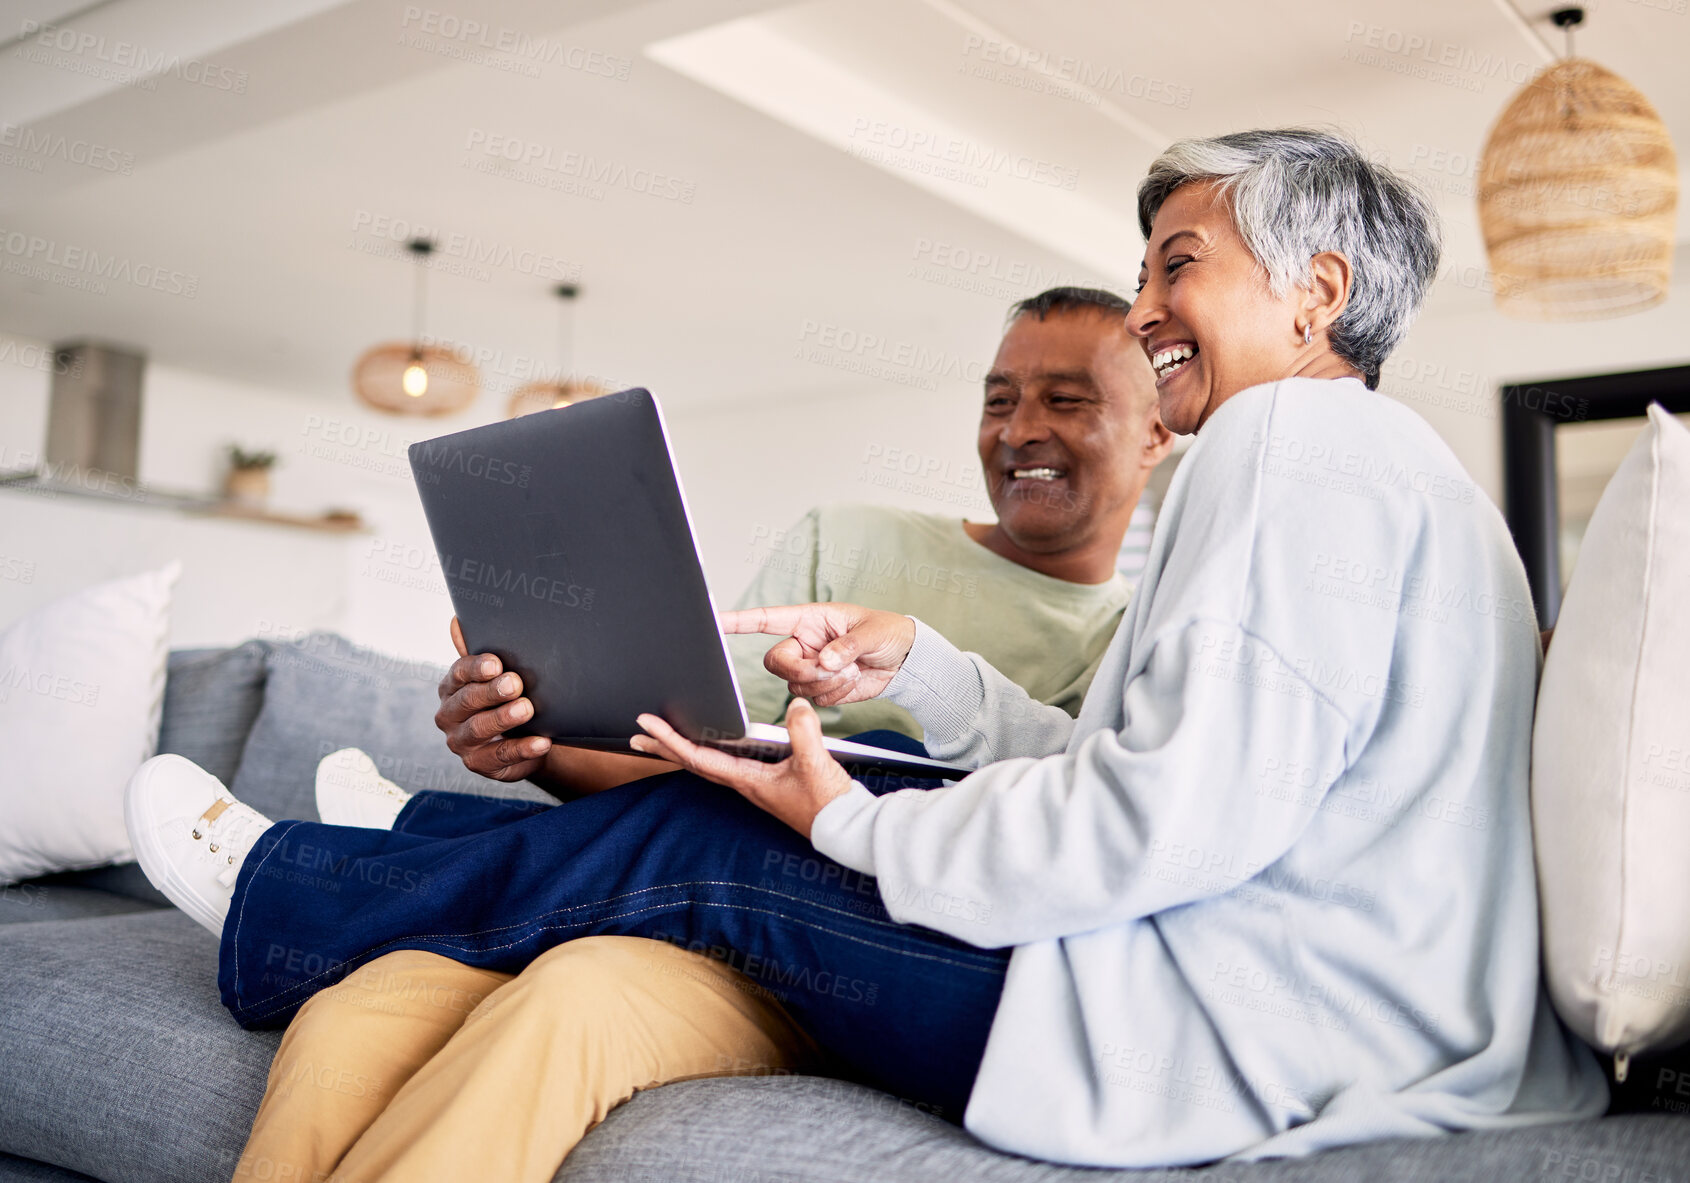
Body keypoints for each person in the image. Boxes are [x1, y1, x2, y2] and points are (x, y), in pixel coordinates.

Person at [129, 129, 1608, 1179]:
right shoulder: (1379, 474)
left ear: (1317, 292)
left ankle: (304, 883)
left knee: (736, 837)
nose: (1150, 306)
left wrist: (842, 814)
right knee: (737, 795)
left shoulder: (1291, 445)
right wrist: (920, 674)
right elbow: (1141, 769)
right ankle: (404, 845)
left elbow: (1164, 816)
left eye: (1178, 263)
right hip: (1263, 995)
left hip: (1213, 1021)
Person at [242, 285, 1176, 1183]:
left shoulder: (1138, 648)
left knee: (572, 999)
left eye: (1068, 400)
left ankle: (382, 853)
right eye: (999, 398)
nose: (1019, 430)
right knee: (358, 1007)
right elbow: (686, 779)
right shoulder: (847, 538)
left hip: (842, 961)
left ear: (1158, 430)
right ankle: (401, 852)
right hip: (678, 891)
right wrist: (535, 743)